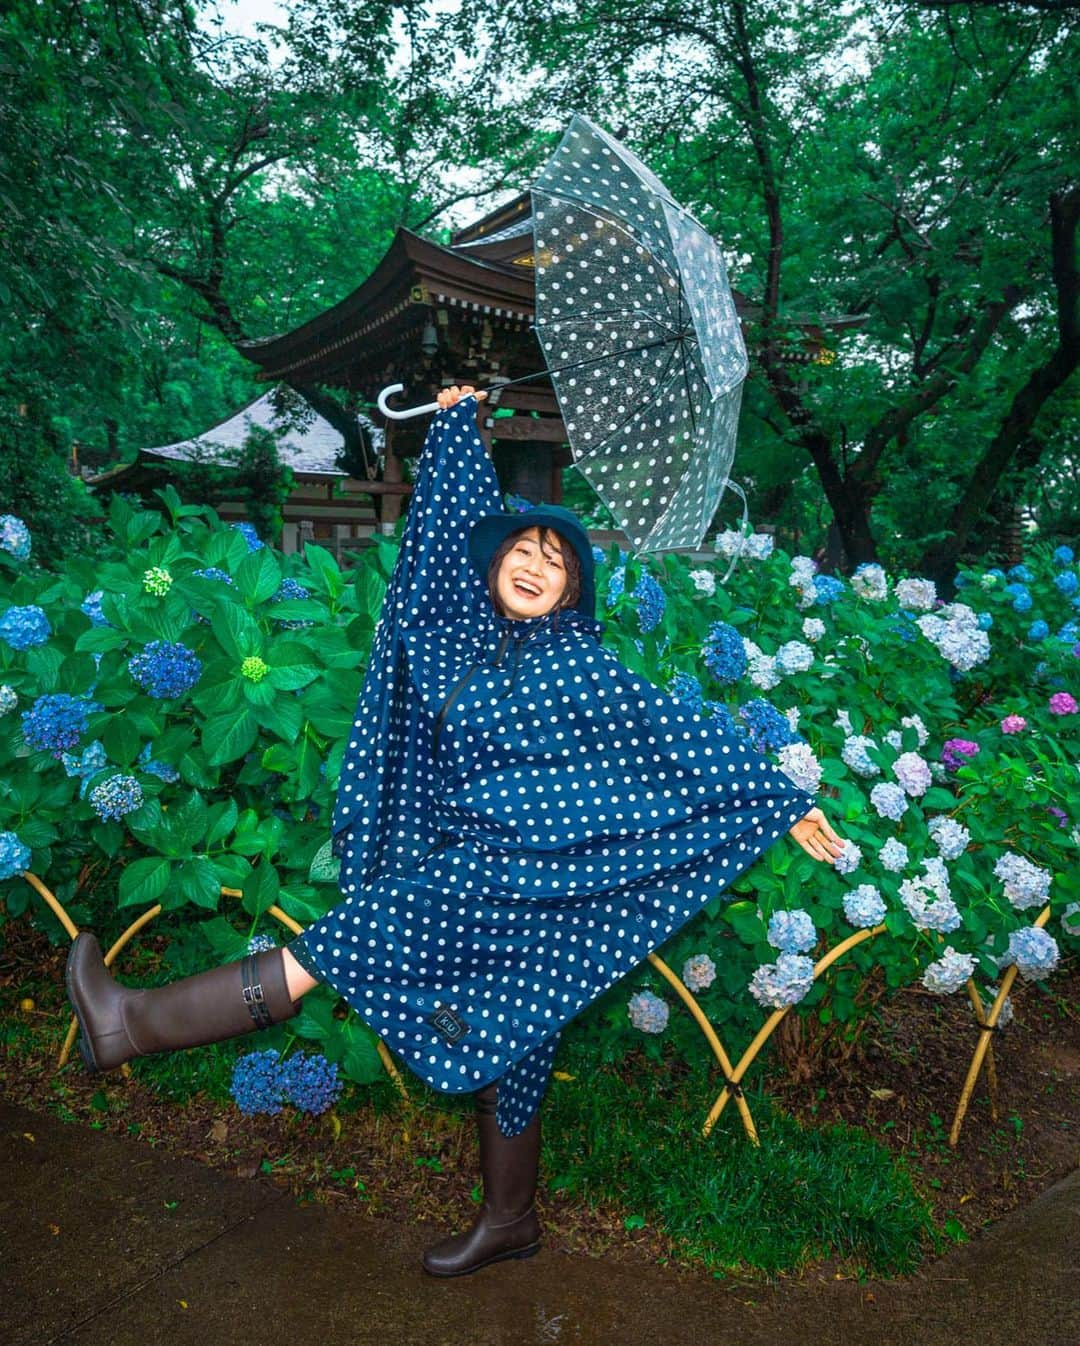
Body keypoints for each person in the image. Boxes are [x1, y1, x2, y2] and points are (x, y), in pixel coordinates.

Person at [66, 384, 843, 1278]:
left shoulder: (585, 668)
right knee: (513, 1030)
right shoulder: (455, 641)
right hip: (480, 867)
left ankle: (133, 1023)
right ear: (495, 565)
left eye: (556, 559)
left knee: (342, 945)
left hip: (527, 875)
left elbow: (677, 731)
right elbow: (440, 537)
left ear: (572, 589)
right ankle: (511, 1220)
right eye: (521, 546)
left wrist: (781, 796)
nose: (533, 563)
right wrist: (456, 430)